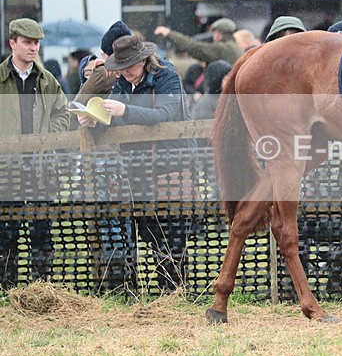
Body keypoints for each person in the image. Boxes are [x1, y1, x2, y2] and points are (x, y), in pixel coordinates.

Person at [76, 34, 197, 292]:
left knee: (172, 236)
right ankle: (163, 292)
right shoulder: (122, 82)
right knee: (147, 232)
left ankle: (174, 291)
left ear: (143, 60)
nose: (125, 72)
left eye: (129, 65)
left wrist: (125, 111)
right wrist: (97, 121)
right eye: (121, 67)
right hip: (138, 169)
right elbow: (118, 120)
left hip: (172, 166)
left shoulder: (167, 76)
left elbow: (167, 113)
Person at [0, 18, 70, 288]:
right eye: (27, 42)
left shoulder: (47, 80)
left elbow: (62, 113)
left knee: (42, 231)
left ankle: (41, 287)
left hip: (41, 167)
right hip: (7, 168)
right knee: (7, 231)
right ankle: (7, 287)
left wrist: (47, 139)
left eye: (36, 43)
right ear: (12, 43)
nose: (33, 48)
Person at [154, 17, 241, 65]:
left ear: (219, 33)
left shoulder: (223, 48)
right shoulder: (236, 47)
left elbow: (194, 47)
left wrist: (169, 34)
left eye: (214, 32)